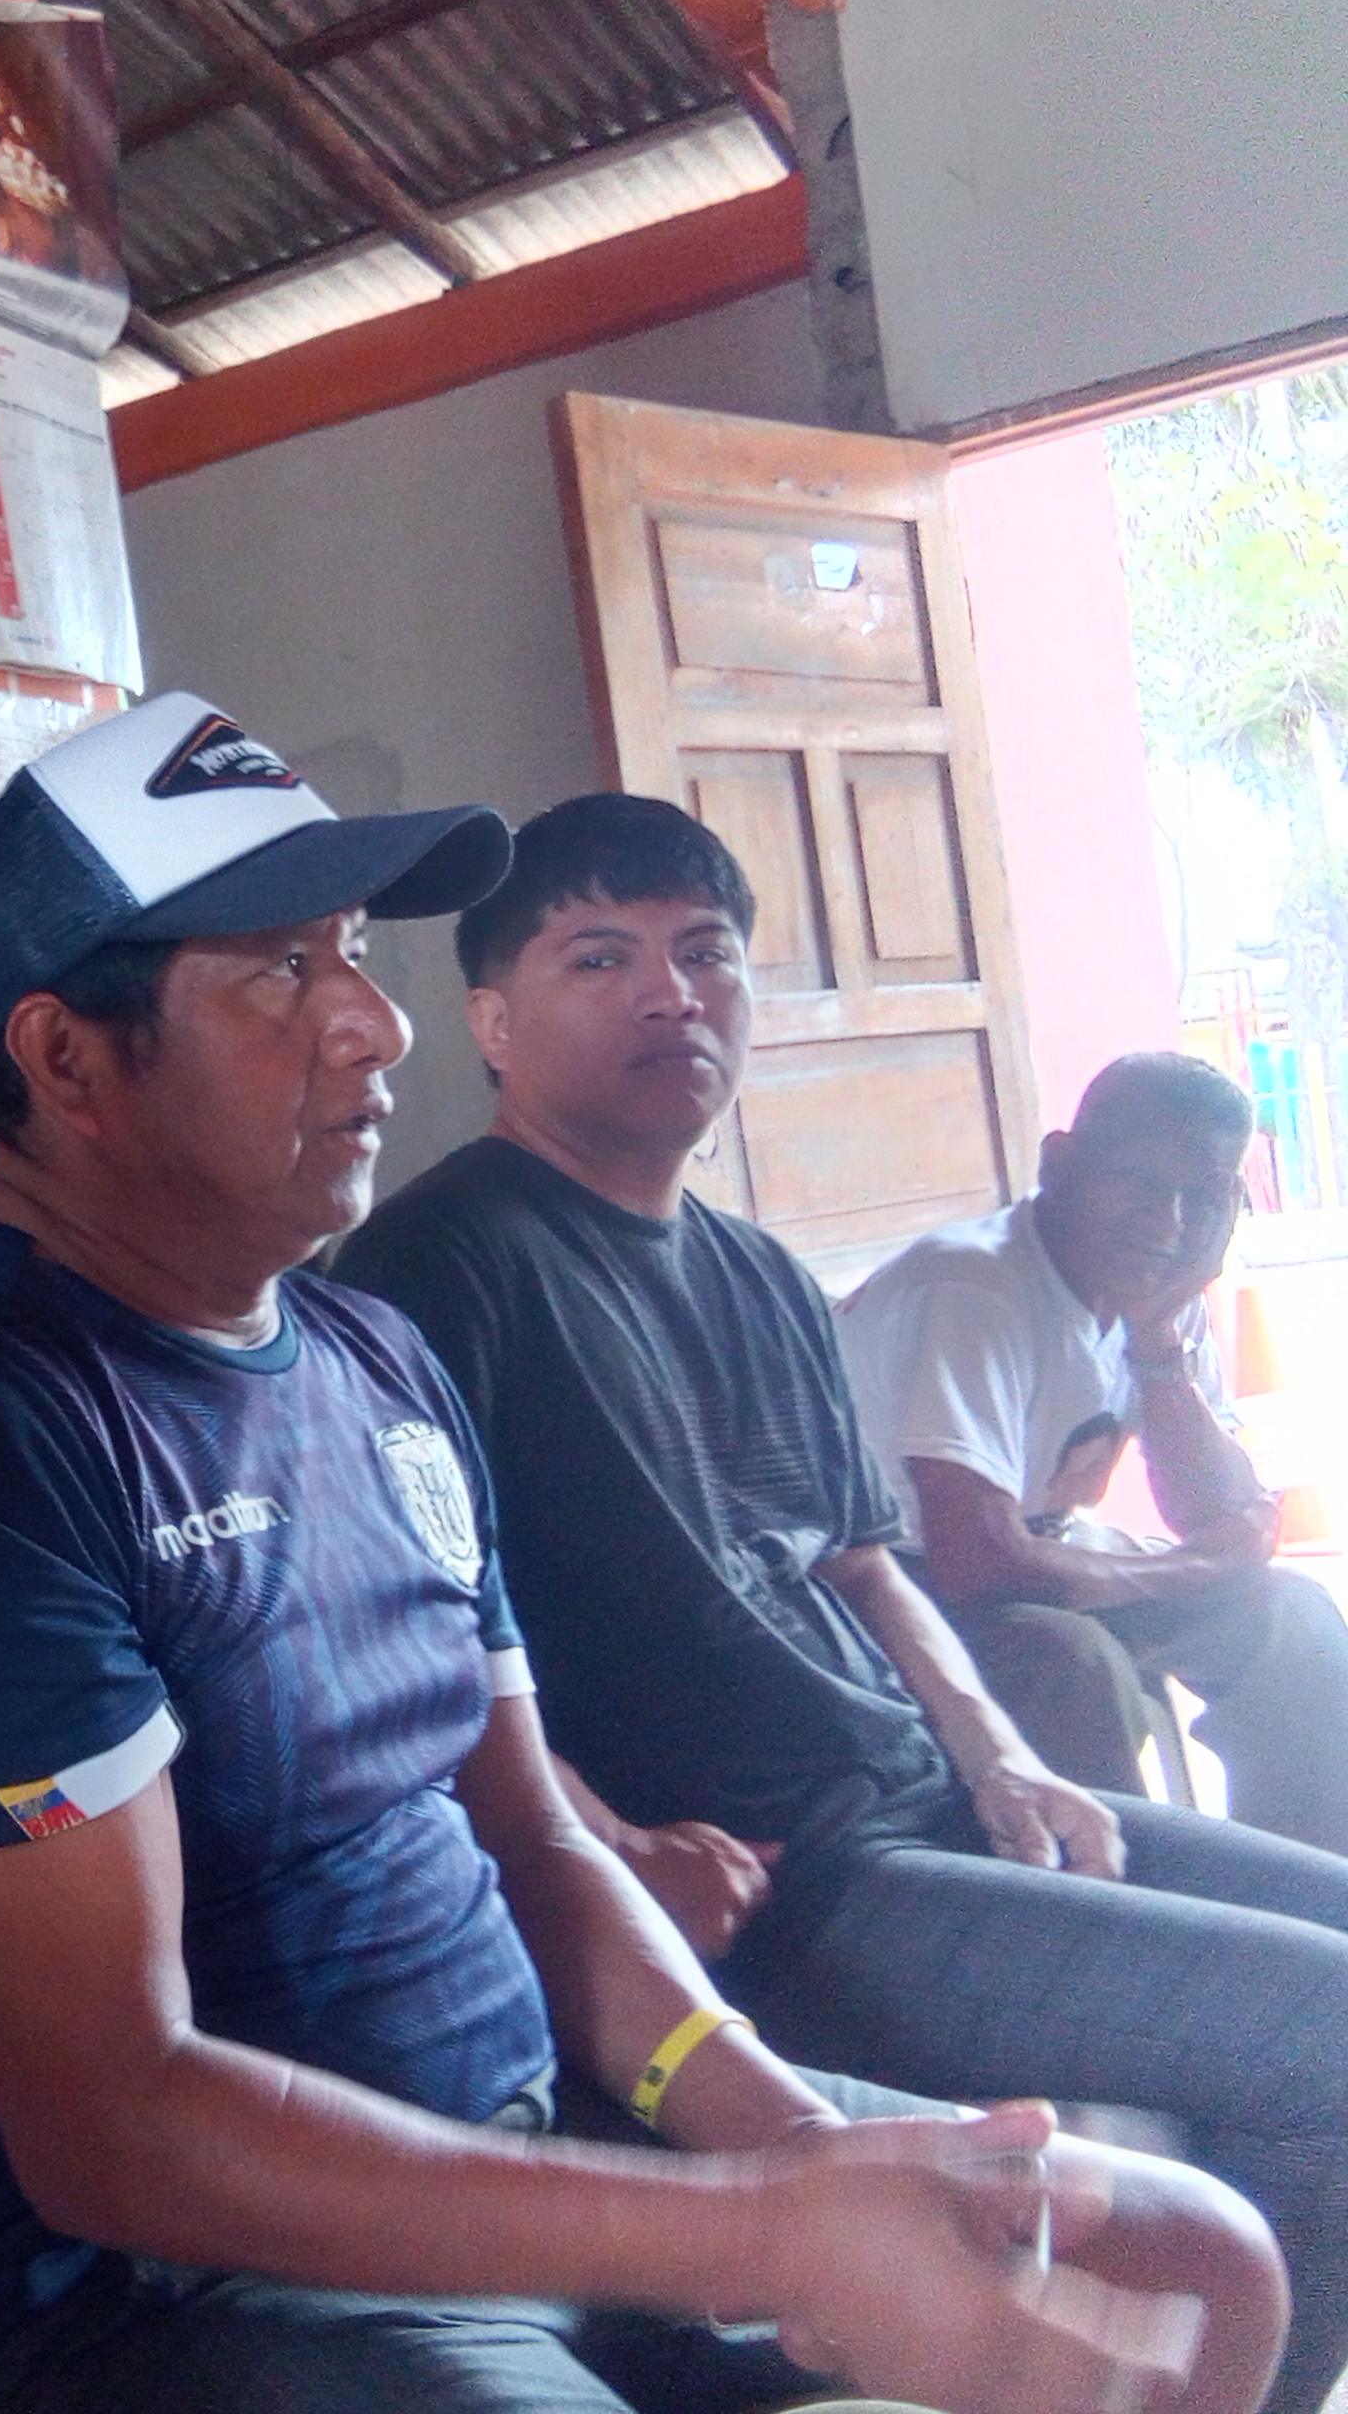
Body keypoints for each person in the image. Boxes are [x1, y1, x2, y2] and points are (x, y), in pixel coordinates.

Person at [0, 696, 1280, 2414]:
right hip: (211, 2296)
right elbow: (123, 2129)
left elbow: (534, 1839)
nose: (373, 1020)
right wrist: (755, 2235)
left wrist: (780, 2138)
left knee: (1195, 2260)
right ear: (67, 1058)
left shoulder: (368, 1364)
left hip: (535, 2149)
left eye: (349, 948)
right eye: (278, 970)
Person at [331, 790, 1348, 2414]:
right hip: (787, 1887)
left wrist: (1003, 1756)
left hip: (929, 1807)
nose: (668, 994)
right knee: (1326, 2039)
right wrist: (601, 1838)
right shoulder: (432, 1273)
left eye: (702, 953)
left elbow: (865, 1557)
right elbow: (406, 1642)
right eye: (600, 956)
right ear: (491, 1019)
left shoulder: (749, 1267)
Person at [834, 1052, 1348, 1854]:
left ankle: (1302, 1888)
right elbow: (975, 1562)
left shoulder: (1159, 1284)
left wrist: (1158, 1340)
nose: (1169, 1222)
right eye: (1139, 1182)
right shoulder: (972, 1286)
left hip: (1037, 1560)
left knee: (1292, 1617)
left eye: (1202, 1195)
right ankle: (1129, 1903)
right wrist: (1189, 1570)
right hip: (882, 1589)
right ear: (1059, 1164)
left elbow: (1222, 1516)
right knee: (1068, 1660)